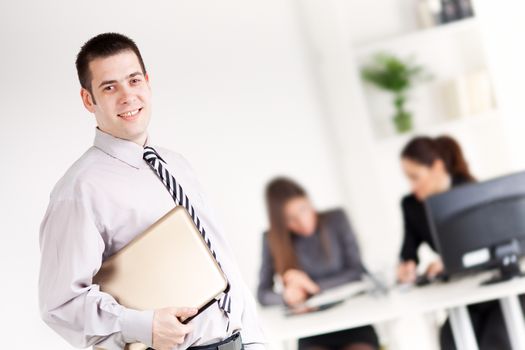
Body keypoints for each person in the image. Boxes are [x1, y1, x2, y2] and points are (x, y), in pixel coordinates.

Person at [38, 33, 265, 350]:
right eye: (109, 87)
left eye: (133, 81)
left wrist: (255, 339)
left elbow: (222, 260)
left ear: (147, 81)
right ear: (88, 99)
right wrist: (140, 325)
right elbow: (60, 305)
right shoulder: (80, 189)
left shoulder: (176, 164)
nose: (127, 96)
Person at [397, 135, 512, 350]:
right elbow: (408, 251)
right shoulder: (412, 205)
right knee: (450, 342)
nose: (412, 187)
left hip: (496, 290)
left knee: (494, 342)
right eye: (408, 179)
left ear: (437, 167)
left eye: (415, 177)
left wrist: (449, 261)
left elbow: (493, 242)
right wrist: (406, 266)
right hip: (460, 296)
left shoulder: (470, 191)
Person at [257, 177, 379, 350]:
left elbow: (357, 271)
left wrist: (310, 287)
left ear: (309, 201)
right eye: (291, 218)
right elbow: (263, 294)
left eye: (303, 209)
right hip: (311, 331)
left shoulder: (337, 219)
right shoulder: (272, 240)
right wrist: (287, 296)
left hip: (354, 321)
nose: (302, 221)